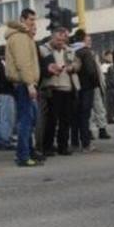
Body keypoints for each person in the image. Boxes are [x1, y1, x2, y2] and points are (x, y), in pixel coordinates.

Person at [5, 9, 42, 167]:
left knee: (29, 118)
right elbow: (23, 62)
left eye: (34, 19)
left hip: (25, 83)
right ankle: (23, 155)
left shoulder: (24, 36)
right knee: (26, 121)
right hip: (24, 83)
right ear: (22, 19)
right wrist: (29, 84)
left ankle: (28, 152)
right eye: (30, 19)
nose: (33, 22)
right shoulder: (20, 37)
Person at [39, 27, 81, 156]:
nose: (61, 41)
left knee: (66, 119)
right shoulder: (43, 49)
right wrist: (50, 68)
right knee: (51, 120)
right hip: (53, 88)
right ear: (52, 37)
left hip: (68, 88)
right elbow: (40, 67)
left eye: (63, 39)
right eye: (58, 39)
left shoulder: (69, 50)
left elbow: (78, 64)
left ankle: (63, 146)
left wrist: (72, 67)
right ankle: (47, 146)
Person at [71, 29, 104, 152]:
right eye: (88, 38)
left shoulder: (70, 50)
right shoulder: (85, 52)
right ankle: (86, 144)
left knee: (75, 116)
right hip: (86, 87)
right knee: (85, 116)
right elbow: (91, 71)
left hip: (73, 87)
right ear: (83, 39)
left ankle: (74, 142)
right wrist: (95, 83)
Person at [0, 54, 16, 151]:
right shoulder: (2, 64)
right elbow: (7, 78)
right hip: (6, 92)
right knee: (7, 118)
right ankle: (6, 140)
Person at [100, 50, 114, 125]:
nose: (110, 57)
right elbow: (104, 77)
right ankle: (109, 117)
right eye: (109, 56)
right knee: (109, 103)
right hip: (109, 88)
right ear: (105, 56)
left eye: (111, 56)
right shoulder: (104, 66)